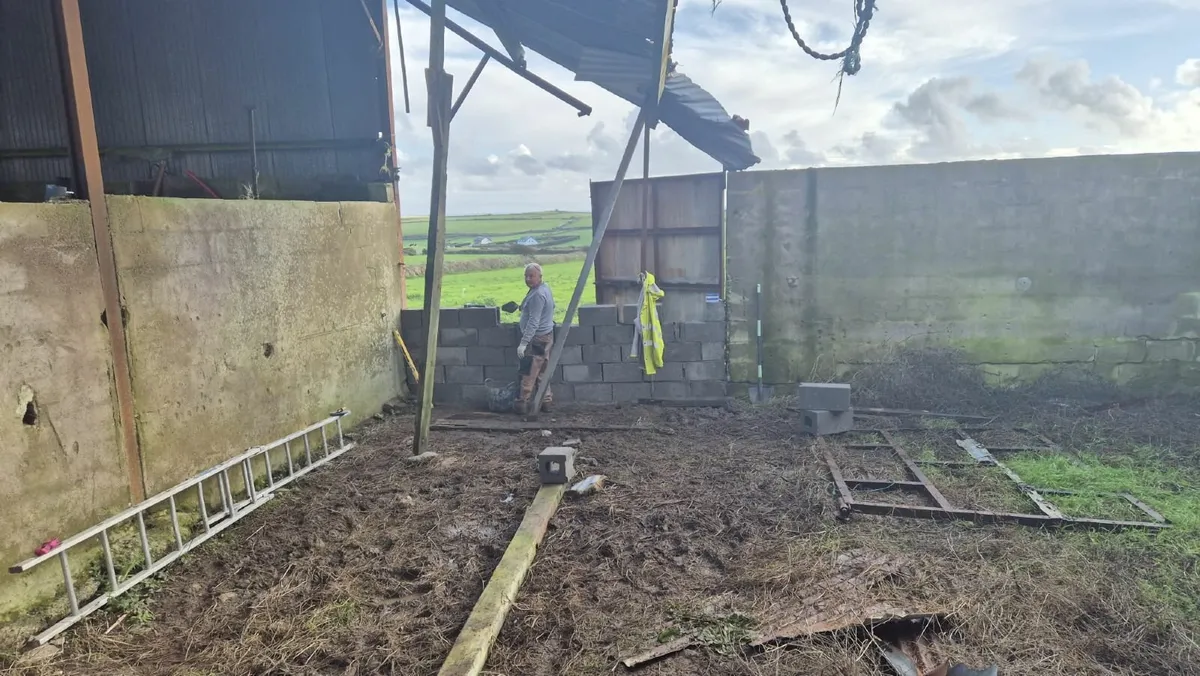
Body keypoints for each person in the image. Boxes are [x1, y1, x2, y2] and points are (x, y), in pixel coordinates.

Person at [514, 263, 555, 414]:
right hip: (546, 336)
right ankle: (546, 402)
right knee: (543, 371)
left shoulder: (537, 294)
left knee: (529, 371)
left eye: (531, 276)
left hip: (536, 339)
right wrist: (522, 307)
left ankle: (522, 404)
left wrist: (524, 343)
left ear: (540, 277)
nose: (528, 279)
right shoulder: (544, 288)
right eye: (526, 276)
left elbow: (533, 321)